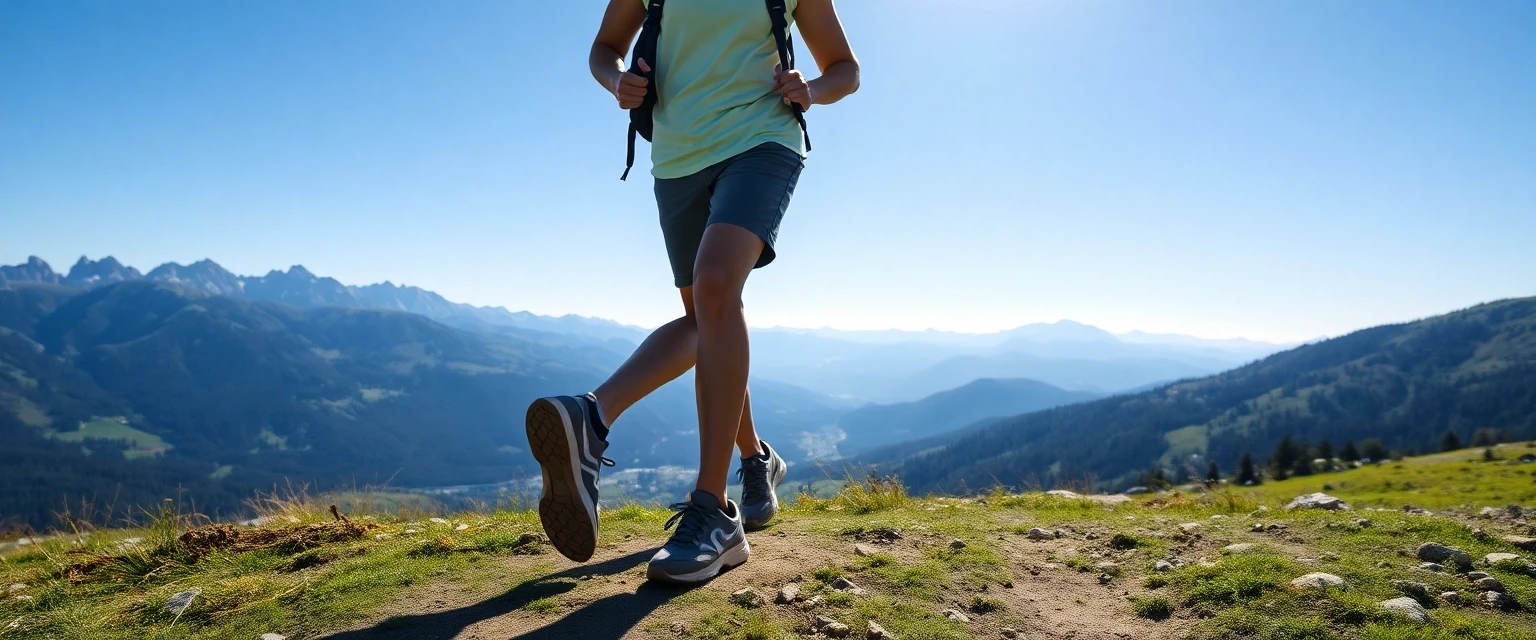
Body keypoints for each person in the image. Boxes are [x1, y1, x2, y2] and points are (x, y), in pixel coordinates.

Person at [525, 0, 859, 584]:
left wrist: (813, 88)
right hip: (676, 160)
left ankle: (706, 507)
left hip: (762, 138)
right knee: (710, 319)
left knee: (715, 285)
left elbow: (845, 69)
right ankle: (757, 462)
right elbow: (603, 49)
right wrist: (616, 82)